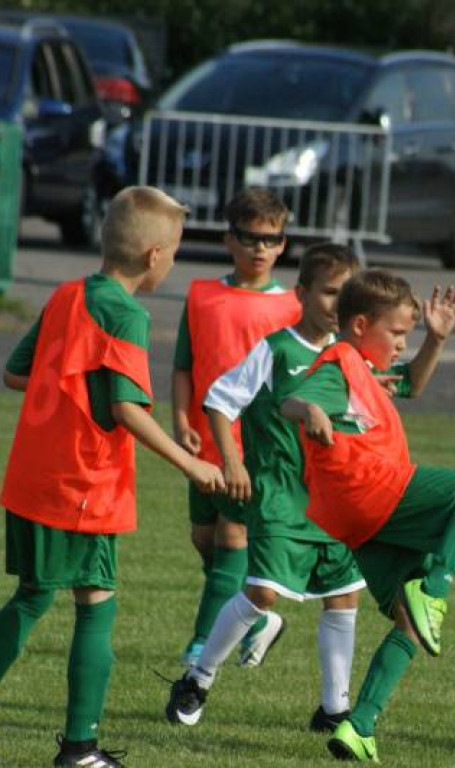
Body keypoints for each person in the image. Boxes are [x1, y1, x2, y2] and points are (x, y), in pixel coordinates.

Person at [0, 186, 225, 768]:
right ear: (155, 257)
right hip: (81, 486)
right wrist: (191, 462)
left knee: (31, 597)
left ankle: (80, 747)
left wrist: (73, 392)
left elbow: (16, 373)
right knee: (95, 604)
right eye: (174, 250)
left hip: (31, 474)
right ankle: (80, 748)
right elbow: (127, 409)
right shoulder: (125, 313)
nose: (171, 261)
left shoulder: (67, 293)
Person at [281, 268, 455, 762]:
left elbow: (412, 385)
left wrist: (435, 341)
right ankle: (436, 590)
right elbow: (292, 401)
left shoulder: (366, 371)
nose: (402, 344)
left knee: (407, 620)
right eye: (397, 333)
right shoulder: (339, 365)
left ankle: (358, 726)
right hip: (369, 488)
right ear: (360, 326)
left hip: (353, 519)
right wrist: (310, 413)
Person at [172, 188, 300, 669]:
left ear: (283, 244)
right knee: (203, 538)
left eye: (271, 239)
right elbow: (184, 364)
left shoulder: (291, 306)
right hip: (204, 443)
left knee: (231, 538)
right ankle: (256, 617)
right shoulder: (203, 294)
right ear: (229, 239)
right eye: (249, 238)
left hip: (253, 451)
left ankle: (202, 645)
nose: (260, 248)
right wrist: (181, 419)